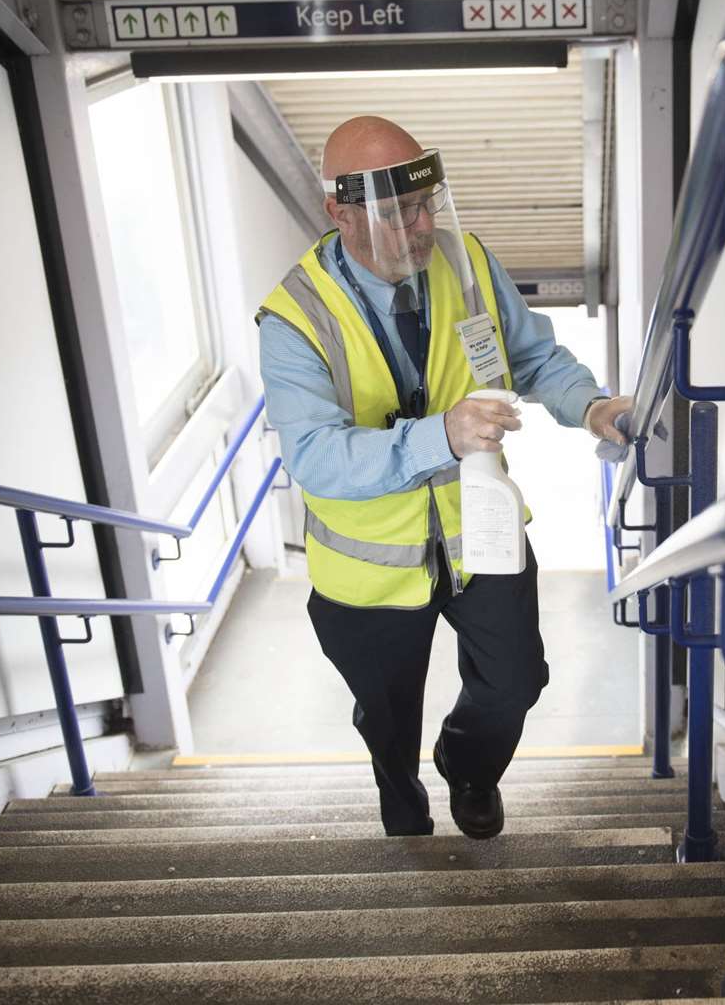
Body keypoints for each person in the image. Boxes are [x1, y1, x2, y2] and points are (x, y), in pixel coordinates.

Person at [256, 115, 631, 839]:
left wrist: (592, 407)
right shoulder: (294, 320)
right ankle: (404, 809)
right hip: (367, 571)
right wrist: (441, 436)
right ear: (338, 212)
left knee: (516, 683)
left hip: (479, 531)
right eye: (394, 213)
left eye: (426, 205)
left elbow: (531, 357)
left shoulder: (465, 263)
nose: (420, 227)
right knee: (386, 714)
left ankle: (467, 767)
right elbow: (315, 457)